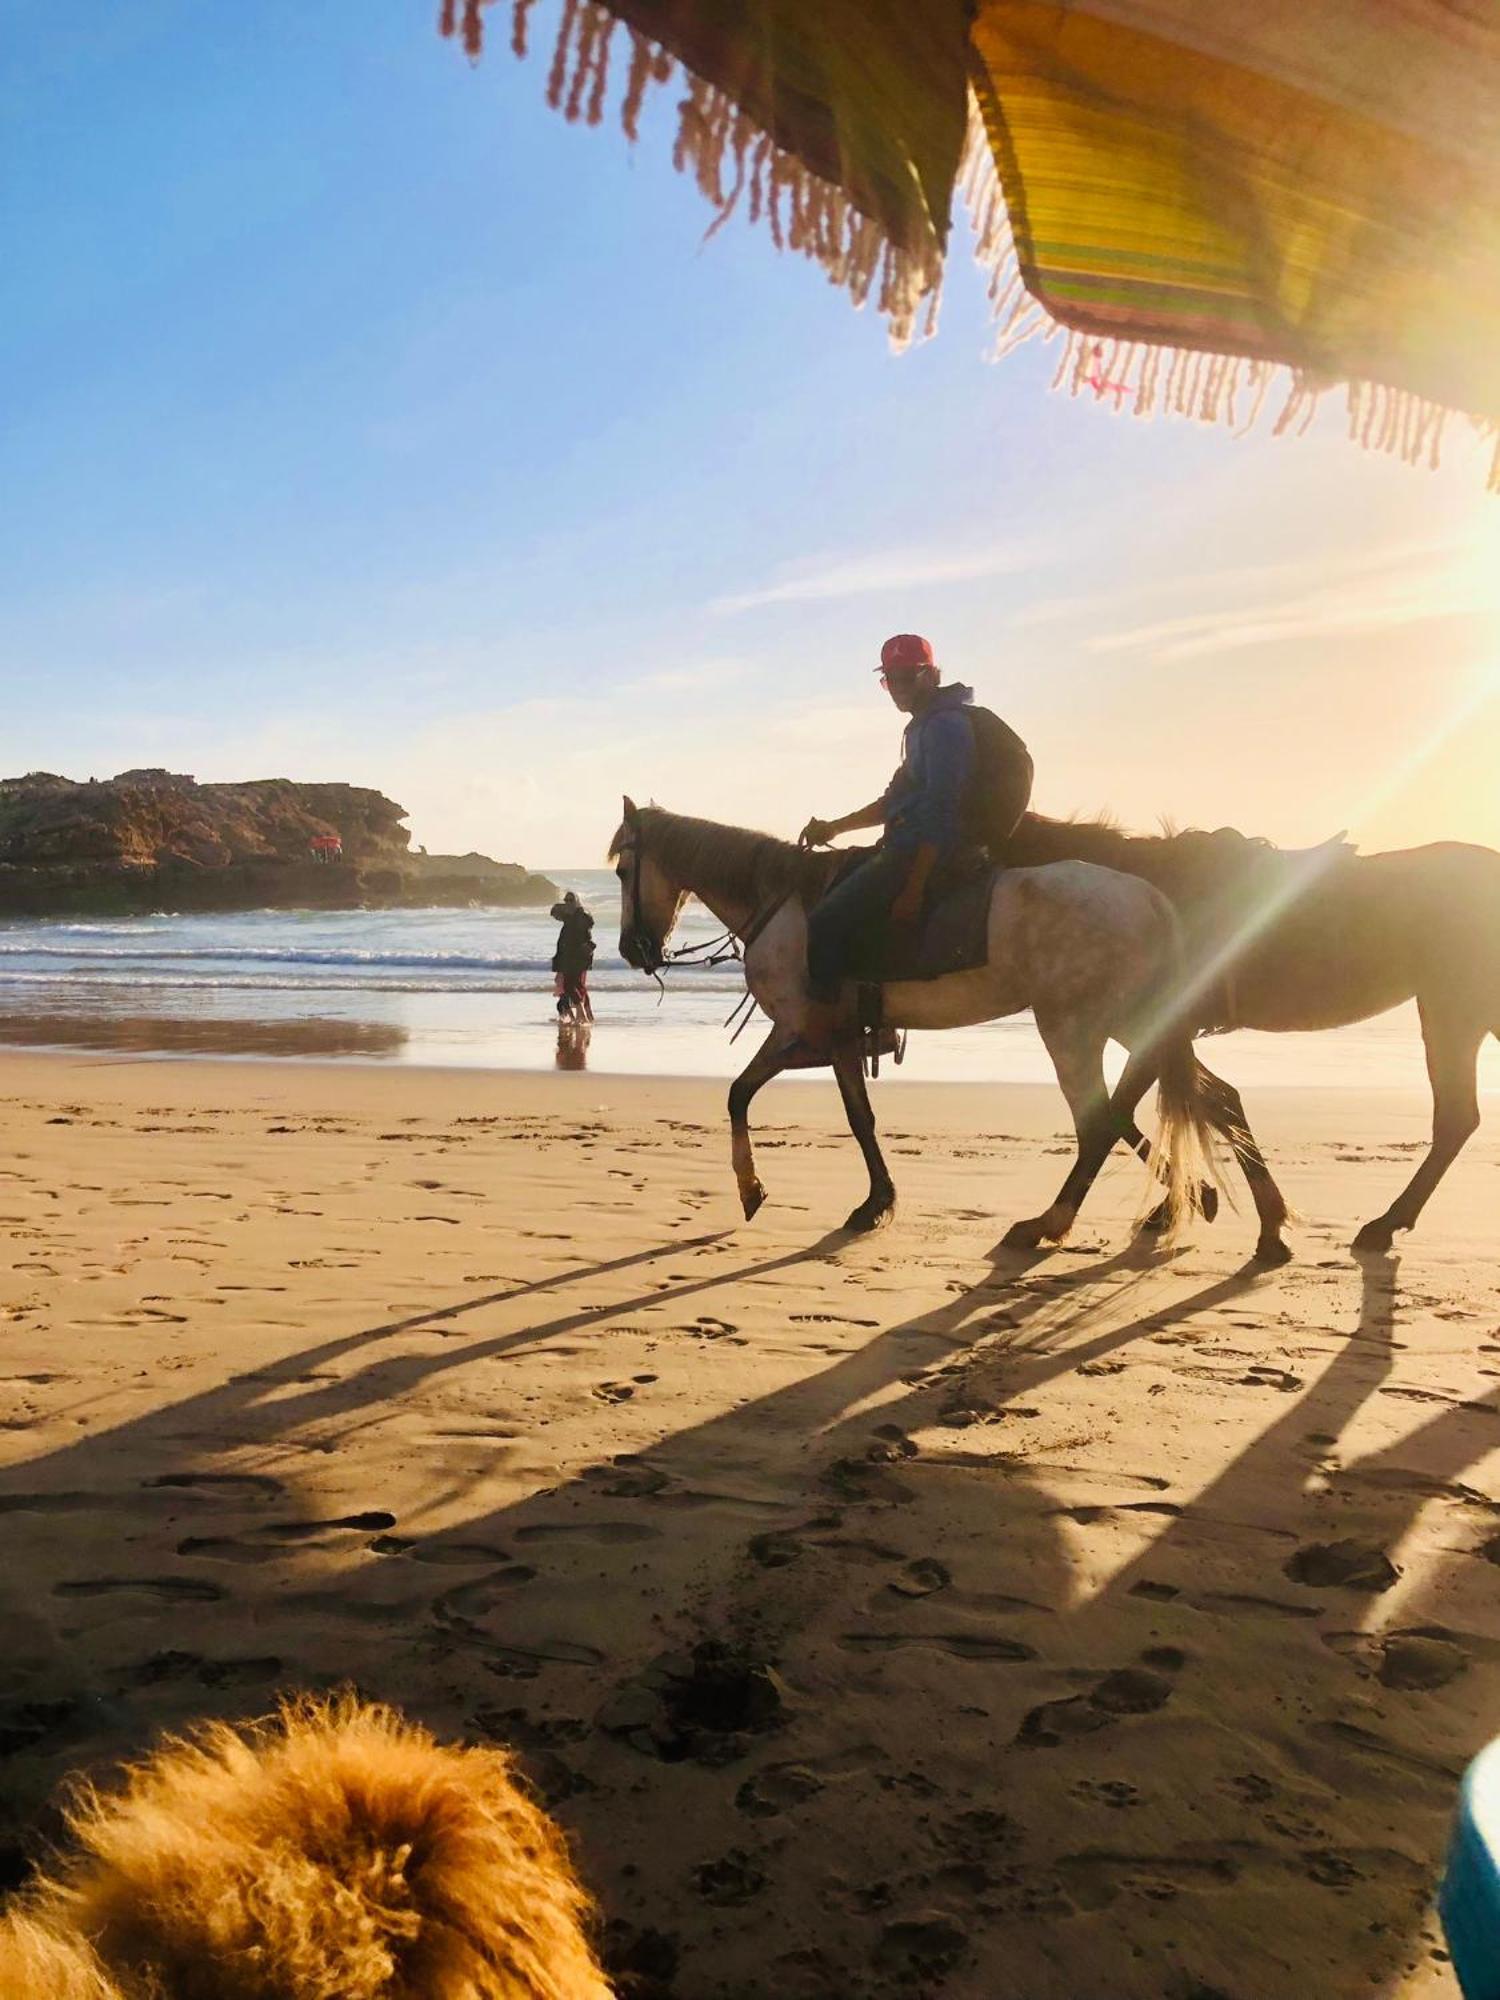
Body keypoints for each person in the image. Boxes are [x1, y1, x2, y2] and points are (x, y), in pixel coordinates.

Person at [797, 633, 1031, 1051]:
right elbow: (895, 800)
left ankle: (828, 1034)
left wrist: (915, 885)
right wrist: (834, 828)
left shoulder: (946, 727)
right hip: (911, 842)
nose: (898, 689)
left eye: (907, 677)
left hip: (936, 850)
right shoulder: (923, 726)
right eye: (890, 680)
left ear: (931, 675)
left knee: (823, 924)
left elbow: (942, 810)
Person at [550, 890, 595, 1022]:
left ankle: (582, 1015)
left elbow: (584, 937)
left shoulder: (581, 916)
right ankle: (587, 1014)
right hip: (569, 958)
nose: (568, 903)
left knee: (570, 986)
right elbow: (553, 911)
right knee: (578, 986)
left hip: (577, 958)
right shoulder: (570, 917)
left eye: (571, 900)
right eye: (566, 900)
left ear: (576, 901)